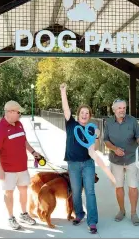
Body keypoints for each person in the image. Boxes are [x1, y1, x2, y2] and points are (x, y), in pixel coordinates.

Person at [0, 100, 43, 230]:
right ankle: (10, 217)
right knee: (9, 193)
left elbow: (24, 141)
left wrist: (33, 152)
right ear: (9, 112)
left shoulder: (19, 124)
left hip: (22, 168)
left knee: (24, 191)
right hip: (8, 169)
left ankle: (24, 214)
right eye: (18, 112)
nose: (20, 115)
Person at [60, 83, 100, 234]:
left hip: (88, 163)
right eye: (82, 112)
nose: (84, 115)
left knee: (90, 191)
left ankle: (93, 221)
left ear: (90, 116)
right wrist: (63, 91)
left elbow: (95, 147)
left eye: (87, 113)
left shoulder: (91, 128)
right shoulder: (71, 124)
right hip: (73, 164)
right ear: (78, 114)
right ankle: (79, 215)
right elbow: (65, 108)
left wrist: (97, 135)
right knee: (76, 192)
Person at [104, 99, 139, 226]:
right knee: (119, 187)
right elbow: (106, 141)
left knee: (133, 187)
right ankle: (122, 211)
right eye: (119, 108)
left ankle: (133, 213)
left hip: (131, 159)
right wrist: (115, 149)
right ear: (114, 110)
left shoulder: (132, 120)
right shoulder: (109, 122)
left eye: (124, 108)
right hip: (116, 161)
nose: (122, 110)